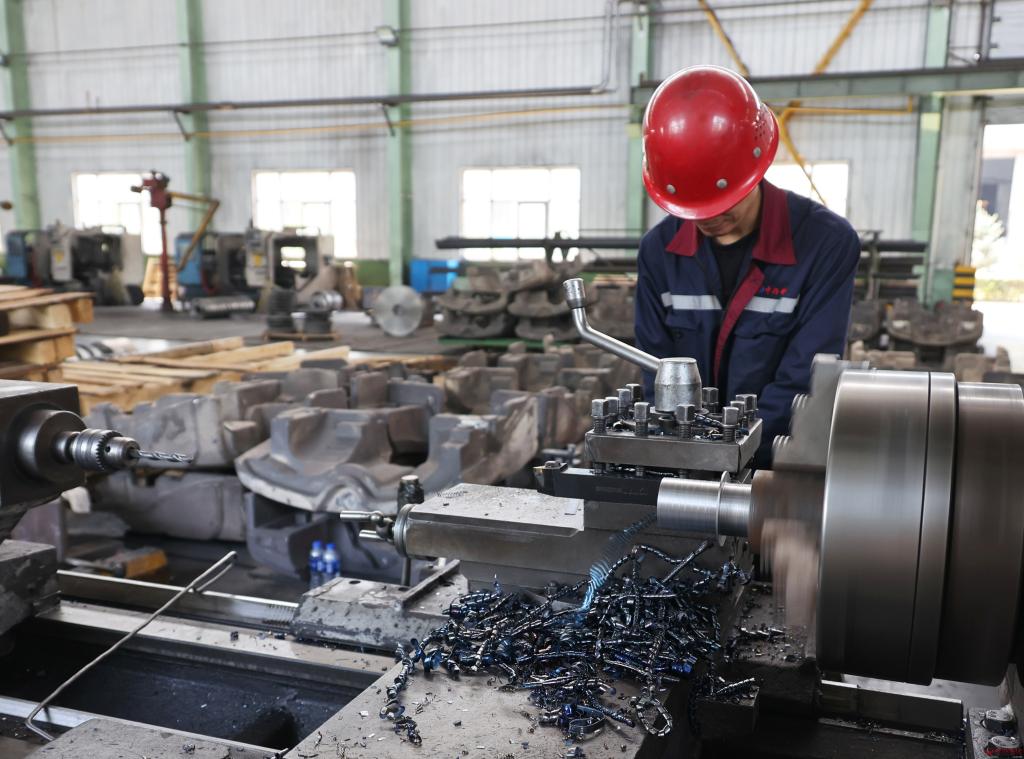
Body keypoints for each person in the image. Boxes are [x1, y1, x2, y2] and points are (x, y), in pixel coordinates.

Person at [635, 65, 860, 467]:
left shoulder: (825, 245)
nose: (708, 218)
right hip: (682, 462)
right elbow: (655, 371)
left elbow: (804, 378)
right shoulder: (658, 253)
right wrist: (678, 451)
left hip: (775, 463)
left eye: (722, 203)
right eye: (693, 207)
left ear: (756, 168)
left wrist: (731, 454)